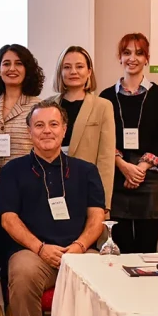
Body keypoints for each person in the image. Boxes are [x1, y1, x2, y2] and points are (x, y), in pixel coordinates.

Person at [0, 101, 106, 316]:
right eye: (39, 125)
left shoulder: (86, 170)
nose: (47, 131)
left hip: (80, 252)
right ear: (29, 131)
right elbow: (8, 219)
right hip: (34, 253)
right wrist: (40, 248)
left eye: (53, 124)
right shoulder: (12, 171)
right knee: (21, 275)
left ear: (64, 129)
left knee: (104, 277)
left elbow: (97, 217)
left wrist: (79, 246)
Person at [98, 34, 158, 253]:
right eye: (127, 53)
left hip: (150, 179)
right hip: (116, 178)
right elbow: (102, 137)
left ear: (147, 58)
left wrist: (140, 168)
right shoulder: (106, 96)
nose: (133, 58)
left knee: (146, 250)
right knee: (120, 250)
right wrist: (123, 165)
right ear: (119, 57)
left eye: (139, 53)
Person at [50, 45, 115, 209]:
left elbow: (106, 159)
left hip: (86, 189)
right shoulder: (47, 105)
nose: (73, 72)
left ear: (89, 71)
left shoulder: (103, 106)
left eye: (79, 66)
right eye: (67, 67)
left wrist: (103, 204)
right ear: (60, 72)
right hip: (51, 188)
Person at [0, 44, 43, 185]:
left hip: (27, 183)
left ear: (27, 69)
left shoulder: (38, 106)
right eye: (6, 64)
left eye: (19, 64)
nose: (12, 68)